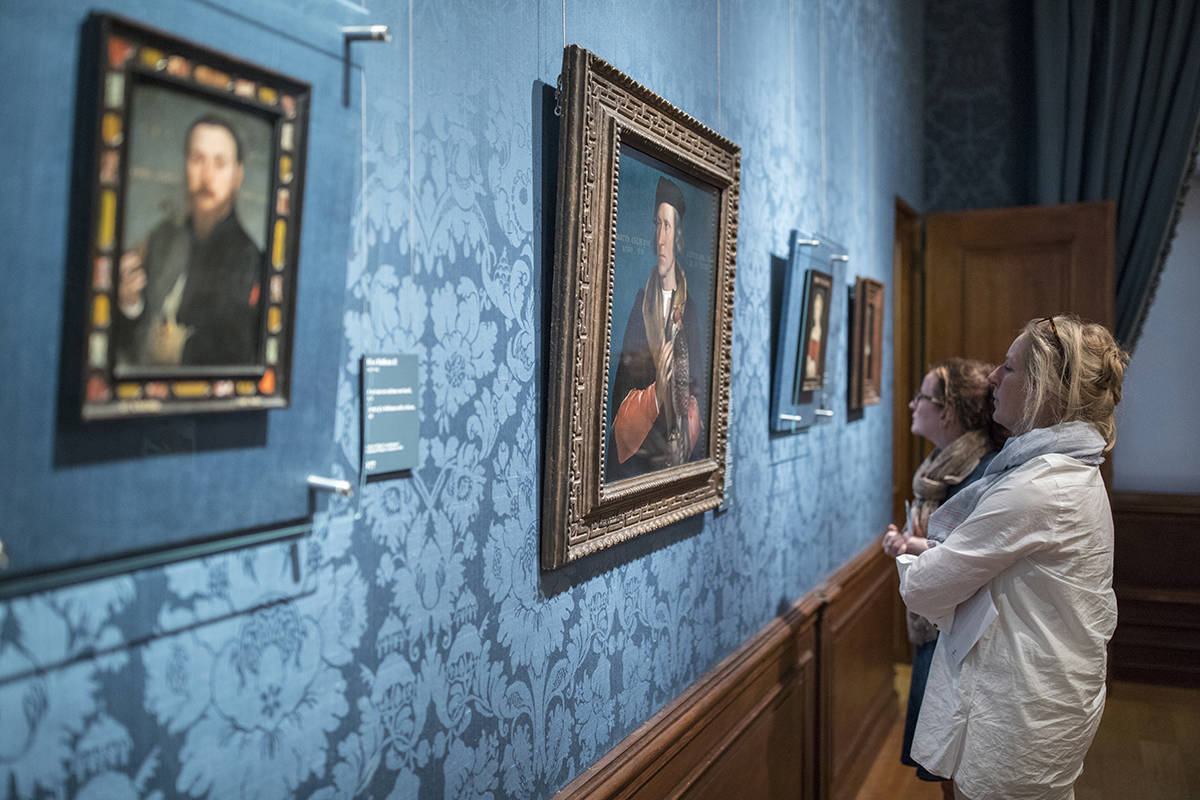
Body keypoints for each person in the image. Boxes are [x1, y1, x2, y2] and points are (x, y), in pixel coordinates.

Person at [898, 315, 1129, 800]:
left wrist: (921, 558)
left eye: (1008, 367)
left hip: (1018, 713)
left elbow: (924, 588)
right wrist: (939, 554)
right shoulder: (1065, 471)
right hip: (1040, 699)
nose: (992, 378)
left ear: (1045, 389)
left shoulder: (1038, 486)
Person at [881, 358, 1006, 799]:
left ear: (947, 411)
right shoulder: (939, 467)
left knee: (959, 763)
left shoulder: (984, 471)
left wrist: (914, 546)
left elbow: (973, 560)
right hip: (934, 628)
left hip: (962, 637)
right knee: (944, 766)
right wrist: (909, 542)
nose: (912, 404)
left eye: (922, 397)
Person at [116, 113, 262, 367]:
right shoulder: (162, 237)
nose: (207, 176)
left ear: (237, 176)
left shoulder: (248, 257)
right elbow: (127, 342)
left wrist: (180, 351)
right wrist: (130, 303)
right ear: (185, 165)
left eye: (219, 163)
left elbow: (240, 353)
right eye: (197, 159)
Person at [608, 176, 707, 480]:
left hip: (674, 463)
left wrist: (682, 441)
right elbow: (620, 408)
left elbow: (698, 396)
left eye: (668, 226)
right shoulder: (642, 306)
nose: (660, 238)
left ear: (678, 237)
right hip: (639, 467)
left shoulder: (690, 311)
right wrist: (656, 393)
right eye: (657, 225)